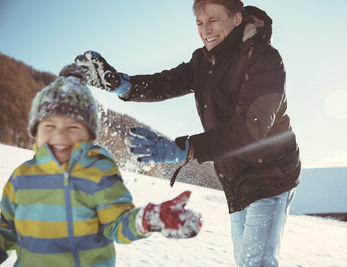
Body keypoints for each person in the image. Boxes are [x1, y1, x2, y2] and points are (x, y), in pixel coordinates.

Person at [75, 0, 301, 265]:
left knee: (256, 263)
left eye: (213, 20)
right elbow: (164, 83)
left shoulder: (264, 59)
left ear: (237, 19)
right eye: (199, 23)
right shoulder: (204, 62)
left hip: (269, 175)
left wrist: (186, 148)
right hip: (235, 178)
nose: (205, 29)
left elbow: (252, 130)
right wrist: (123, 85)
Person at [0, 64, 202, 267]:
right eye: (49, 126)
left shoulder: (98, 171)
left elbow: (117, 223)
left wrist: (144, 220)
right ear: (36, 132)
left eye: (72, 127)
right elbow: (6, 226)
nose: (60, 135)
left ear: (89, 135)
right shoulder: (22, 176)